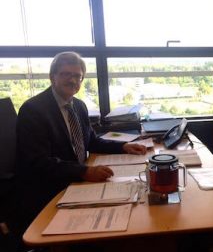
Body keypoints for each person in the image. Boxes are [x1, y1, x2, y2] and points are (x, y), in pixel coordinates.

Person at [15, 51, 147, 231]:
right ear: (52, 77)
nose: (72, 80)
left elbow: (91, 142)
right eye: (66, 74)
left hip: (76, 182)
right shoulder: (33, 110)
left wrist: (123, 146)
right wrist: (84, 172)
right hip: (50, 189)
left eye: (77, 76)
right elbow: (39, 162)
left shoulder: (78, 105)